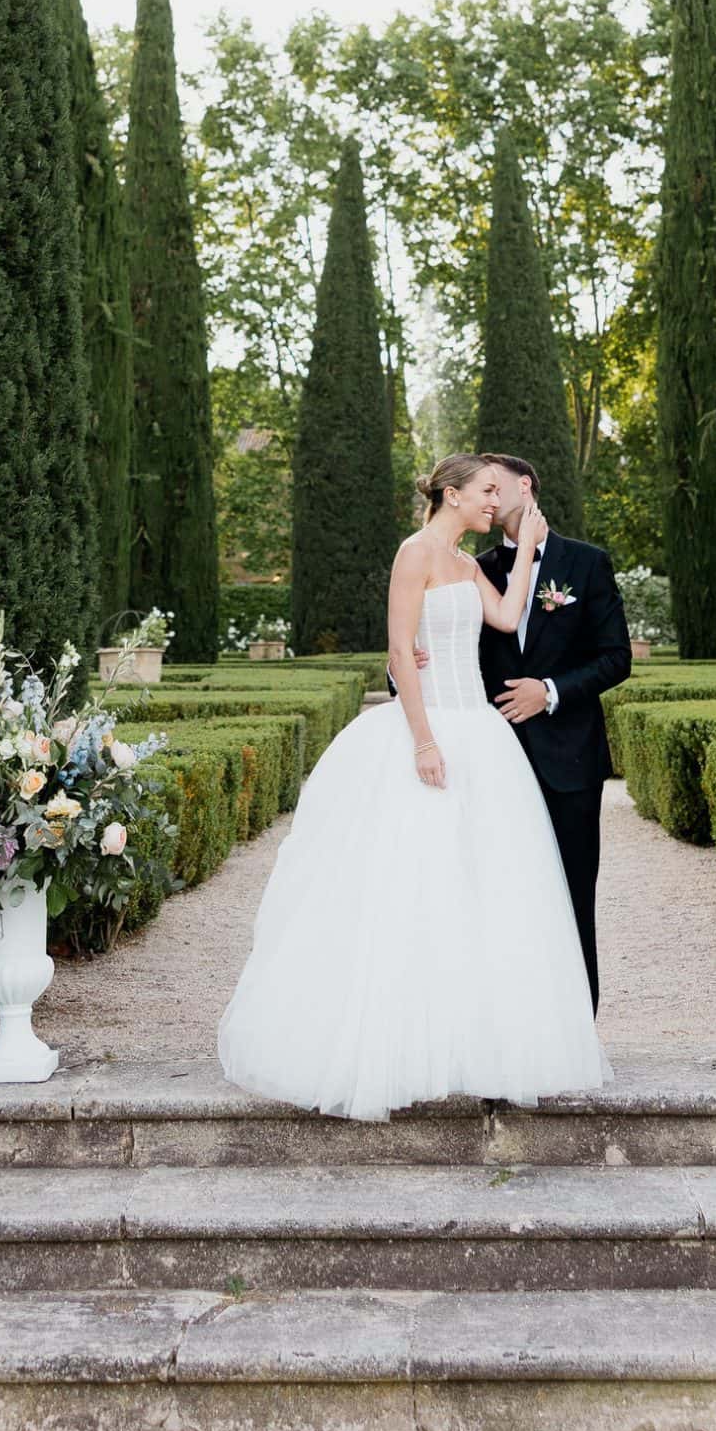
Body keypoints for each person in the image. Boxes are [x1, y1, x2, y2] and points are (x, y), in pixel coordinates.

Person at [216, 454, 610, 1122]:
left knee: (481, 893)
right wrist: (423, 740)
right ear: (451, 495)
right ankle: (397, 1046)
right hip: (430, 733)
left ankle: (469, 1044)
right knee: (410, 888)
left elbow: (510, 620)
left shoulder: (468, 565)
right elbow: (401, 652)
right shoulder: (415, 554)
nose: (495, 502)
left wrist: (527, 556)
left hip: (481, 738)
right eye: (486, 492)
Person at [458, 455, 631, 1009]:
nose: (486, 495)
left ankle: (578, 1024)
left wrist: (550, 691)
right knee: (499, 895)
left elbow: (615, 658)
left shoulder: (586, 564)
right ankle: (509, 1025)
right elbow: (456, 654)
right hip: (494, 759)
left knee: (573, 892)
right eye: (478, 488)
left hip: (570, 761)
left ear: (524, 485)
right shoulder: (475, 569)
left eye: (494, 484)